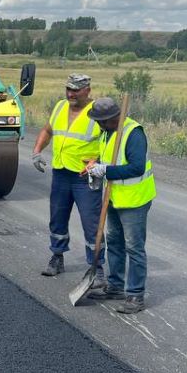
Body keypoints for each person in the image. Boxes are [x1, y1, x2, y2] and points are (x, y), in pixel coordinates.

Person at [84, 96, 156, 314]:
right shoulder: (107, 133)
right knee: (115, 243)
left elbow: (136, 168)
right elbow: (107, 157)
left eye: (101, 121)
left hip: (135, 200)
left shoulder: (133, 133)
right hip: (114, 197)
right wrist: (95, 165)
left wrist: (105, 170)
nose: (98, 125)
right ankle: (115, 286)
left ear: (111, 118)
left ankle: (135, 295)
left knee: (134, 247)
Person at [30, 74, 104, 278]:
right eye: (68, 89)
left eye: (76, 90)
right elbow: (47, 130)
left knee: (91, 223)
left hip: (85, 177)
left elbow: (111, 142)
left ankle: (97, 268)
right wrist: (37, 150)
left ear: (87, 90)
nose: (71, 94)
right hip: (61, 173)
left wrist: (97, 160)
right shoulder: (60, 106)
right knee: (57, 218)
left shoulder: (97, 111)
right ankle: (57, 256)